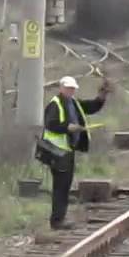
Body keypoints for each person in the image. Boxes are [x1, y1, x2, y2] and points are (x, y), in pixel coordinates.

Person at [41, 74, 110, 230]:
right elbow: (50, 124)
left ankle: (59, 219)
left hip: (66, 151)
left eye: (72, 89)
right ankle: (57, 221)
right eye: (68, 88)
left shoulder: (72, 103)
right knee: (61, 186)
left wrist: (101, 96)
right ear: (61, 88)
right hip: (57, 152)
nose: (70, 91)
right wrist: (68, 127)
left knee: (65, 186)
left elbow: (91, 107)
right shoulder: (55, 104)